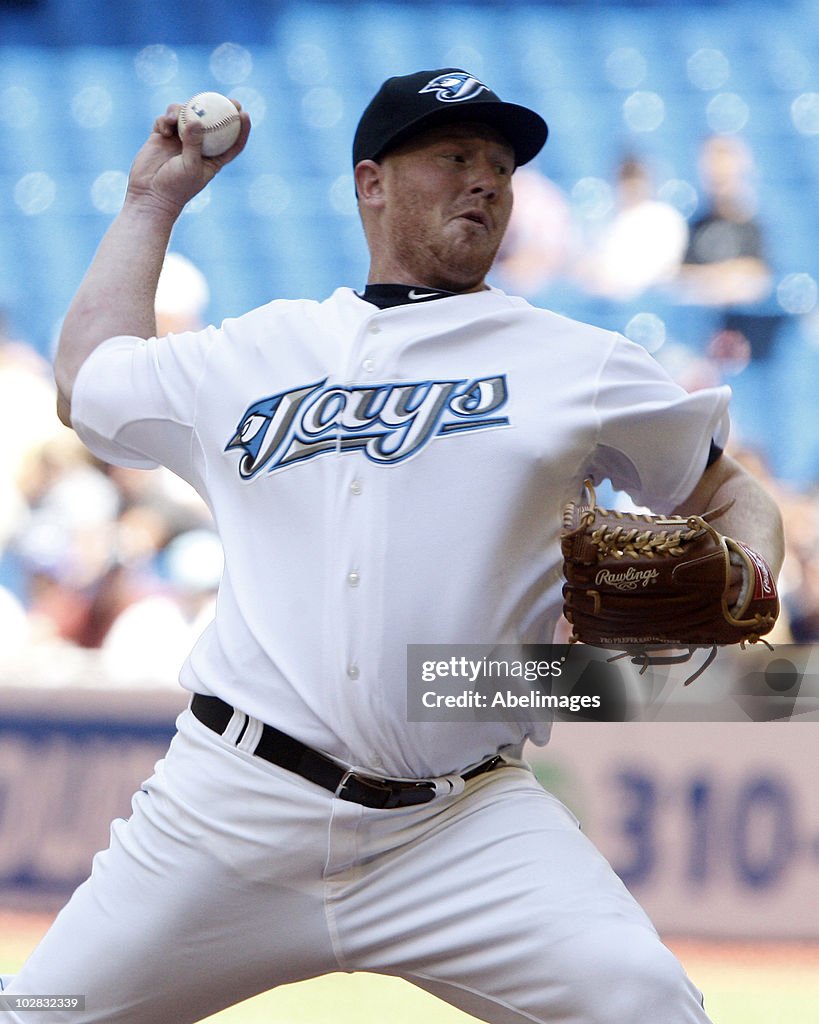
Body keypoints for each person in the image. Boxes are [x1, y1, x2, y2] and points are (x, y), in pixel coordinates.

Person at [3, 68, 784, 1023]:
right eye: (454, 156)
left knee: (649, 1008)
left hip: (460, 824)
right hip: (232, 807)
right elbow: (88, 383)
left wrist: (748, 565)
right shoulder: (258, 351)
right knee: (43, 1012)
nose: (486, 181)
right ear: (370, 182)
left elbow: (730, 488)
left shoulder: (576, 362)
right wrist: (151, 200)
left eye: (500, 164)